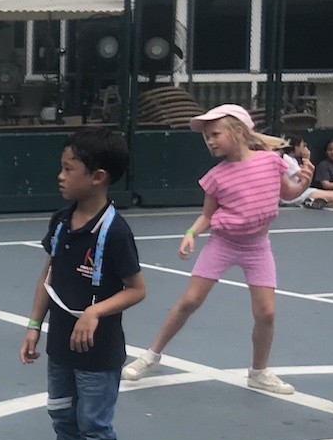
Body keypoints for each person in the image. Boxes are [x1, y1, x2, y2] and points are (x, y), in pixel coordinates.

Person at [121, 103, 311, 394]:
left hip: (258, 247)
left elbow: (288, 193)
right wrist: (191, 234)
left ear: (238, 131)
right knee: (190, 301)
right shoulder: (216, 177)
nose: (210, 141)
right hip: (223, 243)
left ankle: (259, 372)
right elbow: (207, 215)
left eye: (215, 134)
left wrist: (304, 183)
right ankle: (150, 356)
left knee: (266, 313)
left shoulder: (271, 162)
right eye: (207, 137)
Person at [17, 128, 147, 440]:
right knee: (62, 415)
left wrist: (95, 312)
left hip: (98, 350)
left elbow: (137, 289)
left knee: (94, 423)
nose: (60, 175)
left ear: (97, 177)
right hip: (60, 344)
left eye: (68, 169)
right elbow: (49, 275)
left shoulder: (115, 231)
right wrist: (34, 324)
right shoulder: (61, 221)